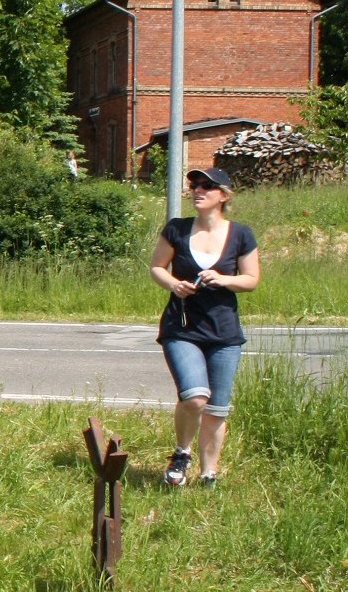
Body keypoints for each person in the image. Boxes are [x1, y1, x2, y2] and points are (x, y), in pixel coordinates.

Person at [150, 167, 260, 487]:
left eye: (207, 186)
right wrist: (174, 284)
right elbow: (157, 267)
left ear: (223, 196)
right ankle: (181, 453)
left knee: (216, 407)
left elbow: (251, 279)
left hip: (224, 333)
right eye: (194, 184)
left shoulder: (241, 234)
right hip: (182, 327)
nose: (197, 190)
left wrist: (224, 279)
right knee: (195, 397)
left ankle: (209, 472)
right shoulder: (177, 229)